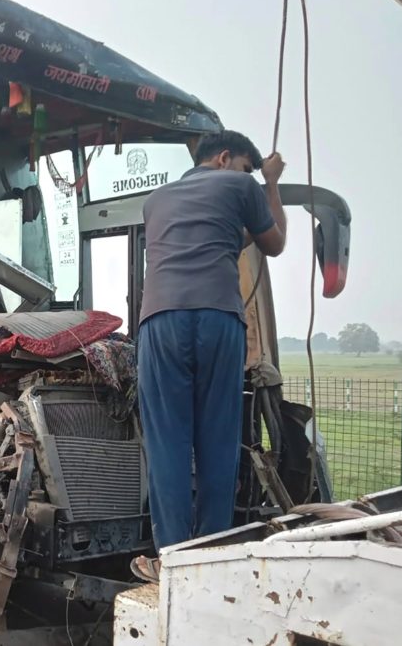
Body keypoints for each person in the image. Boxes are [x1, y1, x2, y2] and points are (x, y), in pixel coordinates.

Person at [131, 130, 287, 580]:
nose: (246, 176)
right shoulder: (240, 186)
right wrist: (271, 184)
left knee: (168, 446)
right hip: (218, 318)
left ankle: (172, 559)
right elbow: (273, 244)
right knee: (218, 439)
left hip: (158, 321)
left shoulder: (155, 200)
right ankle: (214, 555)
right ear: (225, 158)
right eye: (244, 166)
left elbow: (219, 240)